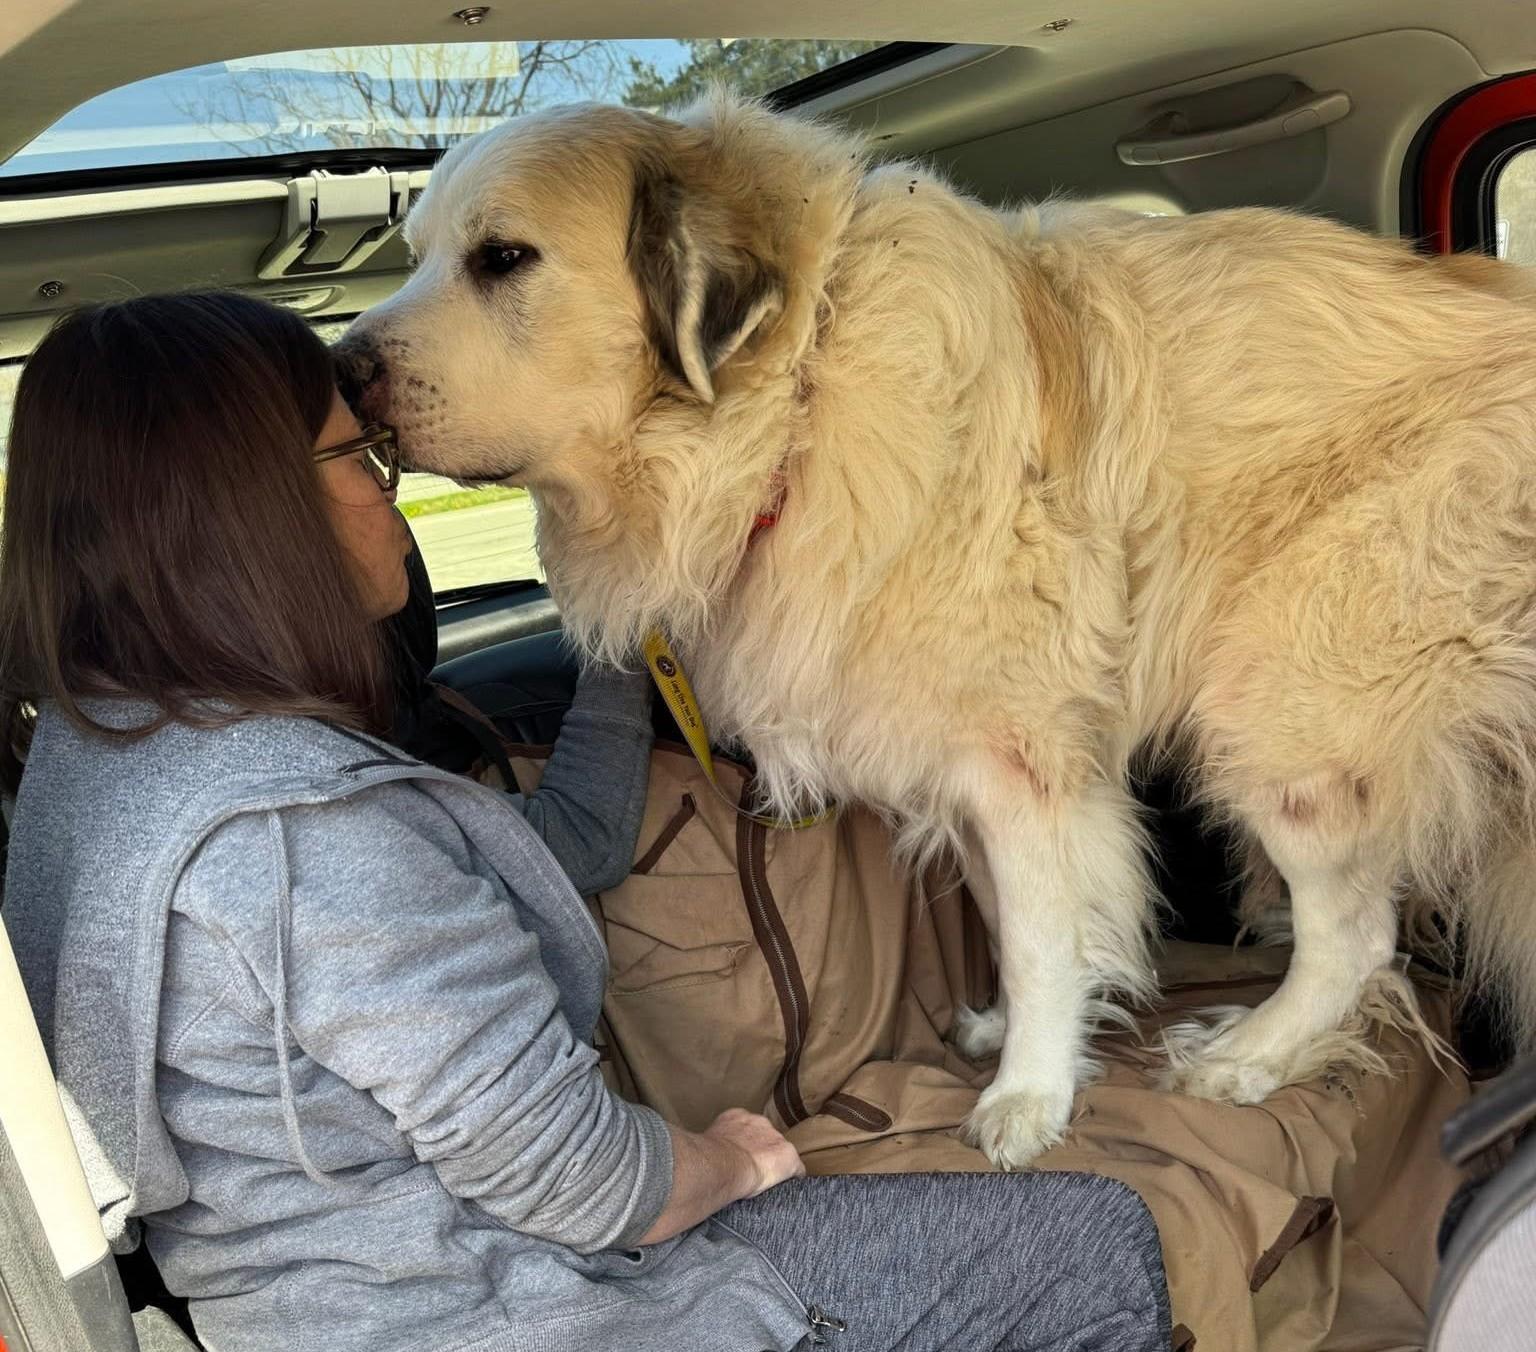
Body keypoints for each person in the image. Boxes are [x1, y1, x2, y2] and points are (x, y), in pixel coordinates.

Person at [0, 292, 1170, 1352]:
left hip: (310, 1304)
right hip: (506, 1307)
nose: (387, 493)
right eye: (359, 454)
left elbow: (568, 851)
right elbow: (591, 1186)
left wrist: (620, 633)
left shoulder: (100, 758)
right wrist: (736, 1153)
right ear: (255, 510)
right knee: (1094, 1238)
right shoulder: (305, 842)